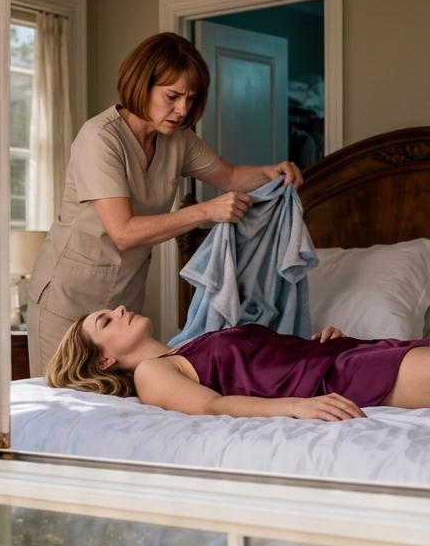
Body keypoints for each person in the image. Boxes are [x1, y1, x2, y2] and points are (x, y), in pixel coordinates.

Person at [26, 32, 304, 376]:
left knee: (121, 401)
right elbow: (123, 232)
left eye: (191, 98)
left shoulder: (178, 140)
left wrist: (270, 171)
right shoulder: (99, 138)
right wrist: (206, 210)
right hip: (67, 298)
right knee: (62, 405)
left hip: (122, 301)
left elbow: (229, 176)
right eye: (172, 96)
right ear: (141, 85)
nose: (183, 110)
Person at [45, 305, 430, 419]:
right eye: (107, 320)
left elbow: (267, 359)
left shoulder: (187, 346)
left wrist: (320, 341)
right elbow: (211, 406)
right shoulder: (152, 371)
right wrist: (297, 406)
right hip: (339, 377)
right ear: (106, 360)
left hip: (346, 353)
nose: (120, 308)